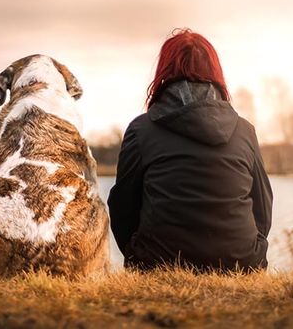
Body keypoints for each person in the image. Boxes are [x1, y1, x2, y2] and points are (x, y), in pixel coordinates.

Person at [107, 29, 273, 272]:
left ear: (164, 71)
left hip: (158, 263)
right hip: (241, 263)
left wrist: (137, 254)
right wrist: (251, 250)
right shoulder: (244, 130)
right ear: (215, 72)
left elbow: (122, 206)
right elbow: (263, 205)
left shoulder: (141, 130)